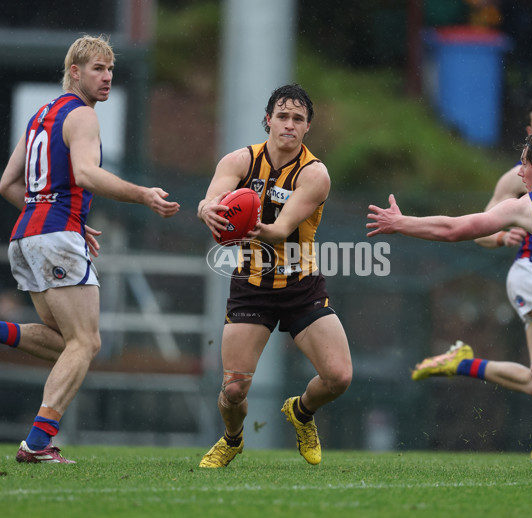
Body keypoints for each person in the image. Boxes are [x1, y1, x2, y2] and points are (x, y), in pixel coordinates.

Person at [367, 130, 532, 473]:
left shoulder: (528, 206)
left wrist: (402, 223)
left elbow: (454, 229)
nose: (520, 173)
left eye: (525, 165)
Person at [0, 34, 180, 463]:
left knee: (68, 341)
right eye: (98, 69)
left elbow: (7, 184)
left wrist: (61, 217)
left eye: (111, 70)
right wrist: (142, 195)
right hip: (55, 237)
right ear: (74, 72)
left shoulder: (41, 115)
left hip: (27, 238)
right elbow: (85, 173)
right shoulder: (81, 115)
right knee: (86, 342)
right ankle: (38, 444)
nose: (107, 78)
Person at [410, 96, 532, 463]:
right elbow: (480, 229)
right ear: (529, 133)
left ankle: (460, 364)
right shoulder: (519, 175)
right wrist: (501, 237)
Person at [197, 83, 352, 468]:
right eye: (282, 116)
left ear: (307, 127)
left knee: (339, 377)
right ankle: (232, 440)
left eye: (298, 119)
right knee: (234, 389)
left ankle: (300, 412)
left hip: (301, 284)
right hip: (252, 285)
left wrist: (250, 226)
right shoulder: (239, 161)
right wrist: (207, 211)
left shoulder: (315, 174)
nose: (289, 124)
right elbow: (213, 199)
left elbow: (281, 229)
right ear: (268, 120)